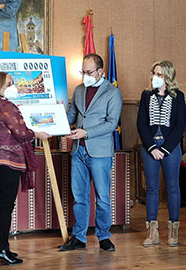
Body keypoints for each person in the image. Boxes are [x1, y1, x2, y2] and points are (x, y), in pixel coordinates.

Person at [0, 72, 50, 266]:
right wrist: (37, 133)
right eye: (10, 83)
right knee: (4, 208)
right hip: (8, 162)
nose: (14, 87)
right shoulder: (5, 106)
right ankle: (2, 250)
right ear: (0, 86)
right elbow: (22, 133)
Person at [59, 53, 122, 252]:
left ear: (100, 71)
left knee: (102, 197)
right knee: (80, 197)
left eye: (89, 72)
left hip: (100, 152)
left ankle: (104, 236)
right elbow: (72, 115)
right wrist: (54, 114)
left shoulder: (112, 93)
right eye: (82, 72)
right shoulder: (78, 90)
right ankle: (79, 237)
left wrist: (86, 133)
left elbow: (112, 123)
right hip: (78, 151)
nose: (85, 75)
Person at [137, 61, 186, 247]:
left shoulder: (178, 96)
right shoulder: (146, 94)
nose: (156, 77)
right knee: (151, 187)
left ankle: (173, 230)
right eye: (154, 73)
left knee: (173, 186)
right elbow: (141, 123)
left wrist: (165, 149)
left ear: (168, 77)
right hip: (150, 147)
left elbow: (180, 125)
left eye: (160, 74)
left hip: (170, 148)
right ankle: (152, 231)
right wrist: (152, 147)